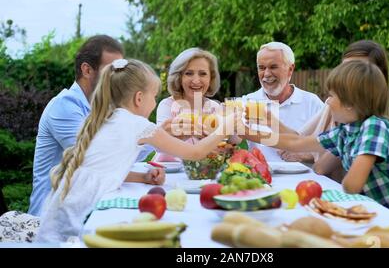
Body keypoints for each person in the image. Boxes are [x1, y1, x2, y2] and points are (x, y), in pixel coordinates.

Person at [36, 59, 238, 243]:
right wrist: (225, 128)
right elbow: (195, 153)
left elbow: (101, 171)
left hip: (57, 221)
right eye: (154, 96)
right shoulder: (138, 125)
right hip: (75, 230)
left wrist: (142, 178)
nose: (155, 102)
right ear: (139, 98)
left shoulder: (104, 119)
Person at [250, 60, 389, 247]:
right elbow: (297, 142)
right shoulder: (347, 130)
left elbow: (352, 185)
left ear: (350, 103)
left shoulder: (374, 127)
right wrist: (248, 133)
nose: (328, 101)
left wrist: (334, 195)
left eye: (332, 96)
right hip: (377, 225)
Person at [29, 35, 124, 216]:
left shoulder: (102, 106)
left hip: (80, 208)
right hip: (50, 218)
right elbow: (93, 162)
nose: (118, 78)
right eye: (110, 70)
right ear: (87, 70)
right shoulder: (64, 107)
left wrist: (157, 134)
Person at [276, 40, 389, 181]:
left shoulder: (374, 127)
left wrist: (308, 154)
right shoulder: (341, 120)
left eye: (358, 70)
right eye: (345, 69)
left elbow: (350, 184)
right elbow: (300, 142)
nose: (348, 76)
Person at [242, 41, 324, 162]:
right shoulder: (247, 102)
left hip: (304, 179)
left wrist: (307, 156)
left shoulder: (312, 102)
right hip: (260, 178)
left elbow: (332, 149)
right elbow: (233, 140)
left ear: (290, 69)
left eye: (273, 67)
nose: (267, 74)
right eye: (261, 68)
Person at [155, 47, 222, 161]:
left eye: (203, 74)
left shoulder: (214, 108)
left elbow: (225, 145)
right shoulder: (167, 105)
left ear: (211, 78)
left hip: (204, 171)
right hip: (170, 172)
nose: (196, 80)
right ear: (179, 77)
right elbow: (160, 145)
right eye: (189, 73)